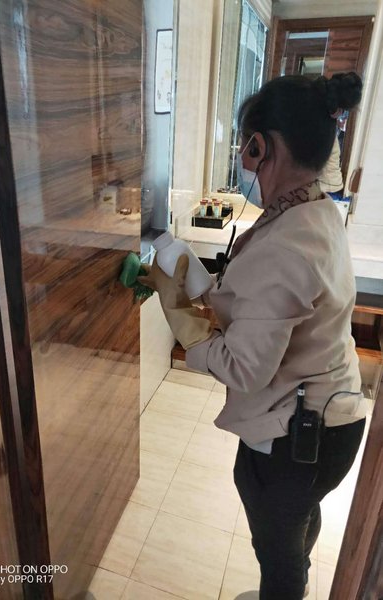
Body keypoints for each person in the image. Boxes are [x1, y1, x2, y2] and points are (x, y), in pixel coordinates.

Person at [140, 72, 366, 600]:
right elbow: (251, 300)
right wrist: (179, 261)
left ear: (262, 146)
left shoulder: (289, 242)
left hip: (301, 435)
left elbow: (244, 367)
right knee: (295, 524)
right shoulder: (312, 210)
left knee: (276, 546)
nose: (243, 159)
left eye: (246, 147)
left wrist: (180, 316)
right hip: (329, 418)